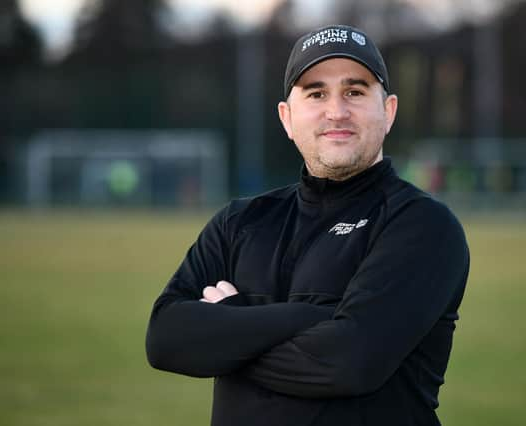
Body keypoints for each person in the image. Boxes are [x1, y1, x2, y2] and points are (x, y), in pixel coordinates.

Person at [146, 24, 470, 426]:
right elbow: (165, 340)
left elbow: (349, 362)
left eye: (355, 91)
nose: (336, 111)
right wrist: (313, 317)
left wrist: (230, 327)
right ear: (287, 117)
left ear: (387, 112)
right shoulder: (239, 222)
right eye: (316, 93)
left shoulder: (422, 226)